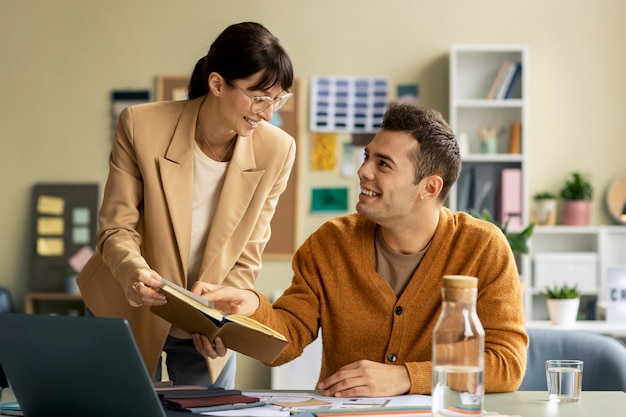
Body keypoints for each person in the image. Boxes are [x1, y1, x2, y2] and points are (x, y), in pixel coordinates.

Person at [192, 103, 528, 397]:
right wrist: (251, 309)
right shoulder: (331, 243)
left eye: (384, 164)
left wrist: (405, 377)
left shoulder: (483, 247)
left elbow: (507, 363)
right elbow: (289, 336)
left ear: (430, 187)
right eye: (368, 156)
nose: (363, 171)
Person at [77, 21, 295, 389]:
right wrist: (133, 273)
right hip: (125, 302)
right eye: (259, 97)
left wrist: (224, 317)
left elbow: (248, 252)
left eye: (278, 99)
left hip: (203, 322)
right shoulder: (141, 125)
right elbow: (116, 227)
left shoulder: (278, 149)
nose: (268, 112)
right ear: (216, 84)